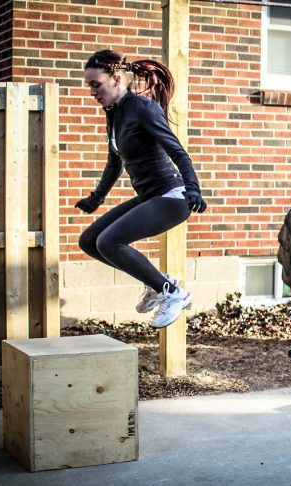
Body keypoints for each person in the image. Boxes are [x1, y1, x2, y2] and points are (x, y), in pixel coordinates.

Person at [76, 49, 207, 329]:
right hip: (150, 196)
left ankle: (173, 293)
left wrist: (193, 188)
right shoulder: (113, 114)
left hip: (174, 196)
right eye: (89, 85)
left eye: (95, 84)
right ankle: (159, 284)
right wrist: (95, 198)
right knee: (89, 241)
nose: (91, 92)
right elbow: (115, 162)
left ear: (118, 79)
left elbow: (178, 152)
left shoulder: (143, 109)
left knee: (108, 241)